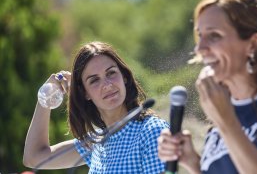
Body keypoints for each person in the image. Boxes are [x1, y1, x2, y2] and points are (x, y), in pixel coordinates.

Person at [158, 0, 257, 173]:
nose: (200, 48)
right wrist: (193, 163)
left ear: (253, 44)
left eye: (214, 36)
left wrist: (226, 122)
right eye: (200, 36)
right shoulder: (225, 111)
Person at [23, 41, 169, 173]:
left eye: (111, 73)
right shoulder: (95, 142)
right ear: (85, 93)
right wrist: (46, 94)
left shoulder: (152, 131)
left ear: (124, 76)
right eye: (94, 80)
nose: (107, 85)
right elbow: (34, 158)